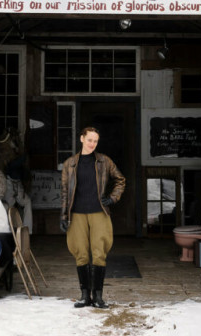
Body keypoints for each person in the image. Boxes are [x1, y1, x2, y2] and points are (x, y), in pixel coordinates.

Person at [60, 127, 126, 309]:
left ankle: (97, 297)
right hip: (77, 214)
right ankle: (84, 296)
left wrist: (112, 198)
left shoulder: (104, 161)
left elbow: (120, 180)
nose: (92, 144)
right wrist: (64, 215)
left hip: (99, 213)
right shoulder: (70, 164)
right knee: (80, 252)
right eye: (89, 140)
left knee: (99, 253)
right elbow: (65, 192)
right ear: (82, 139)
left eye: (95, 141)